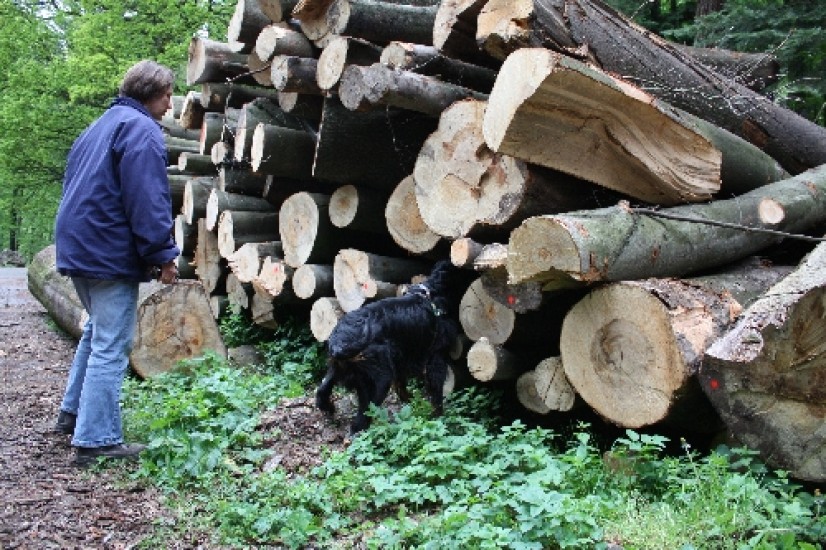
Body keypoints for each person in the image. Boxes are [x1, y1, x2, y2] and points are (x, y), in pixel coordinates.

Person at [52, 60, 180, 468]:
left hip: (77, 245)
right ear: (151, 92)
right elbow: (147, 198)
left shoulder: (99, 126)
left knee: (96, 333)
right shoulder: (141, 129)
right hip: (105, 250)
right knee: (111, 344)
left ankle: (72, 414)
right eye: (167, 95)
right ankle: (96, 440)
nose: (170, 104)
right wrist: (163, 254)